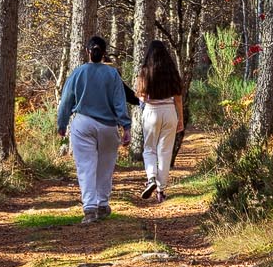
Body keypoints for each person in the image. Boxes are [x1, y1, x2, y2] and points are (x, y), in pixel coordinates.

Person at [54, 35, 130, 222]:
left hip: (82, 123)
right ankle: (102, 204)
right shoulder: (112, 74)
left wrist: (62, 123)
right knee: (105, 166)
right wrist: (126, 126)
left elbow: (66, 101)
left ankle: (89, 208)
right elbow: (120, 102)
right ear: (104, 54)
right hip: (108, 126)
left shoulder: (78, 73)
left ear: (87, 52)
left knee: (86, 166)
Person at [133, 38, 184, 205]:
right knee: (165, 152)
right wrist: (180, 119)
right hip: (169, 112)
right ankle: (161, 190)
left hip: (151, 112)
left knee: (149, 149)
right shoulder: (171, 72)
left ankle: (151, 178)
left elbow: (139, 94)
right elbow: (177, 98)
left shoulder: (145, 71)